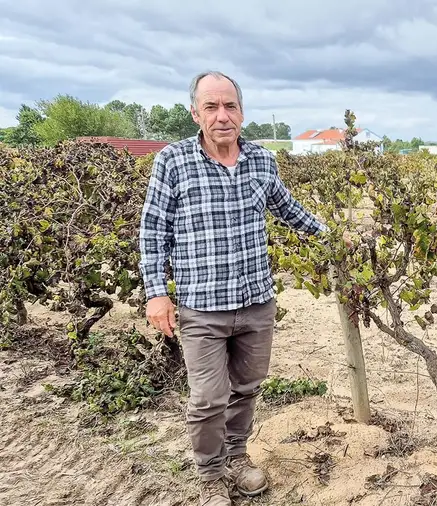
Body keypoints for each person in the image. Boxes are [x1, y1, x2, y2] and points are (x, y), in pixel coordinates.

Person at [139, 70, 346, 506]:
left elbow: (288, 209)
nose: (221, 116)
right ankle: (210, 476)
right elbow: (153, 231)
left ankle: (235, 455)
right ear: (195, 113)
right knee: (208, 397)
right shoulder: (173, 162)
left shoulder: (262, 161)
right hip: (202, 307)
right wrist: (156, 292)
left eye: (229, 106)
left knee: (247, 387)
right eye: (211, 107)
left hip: (256, 303)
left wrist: (332, 237)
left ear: (242, 112)